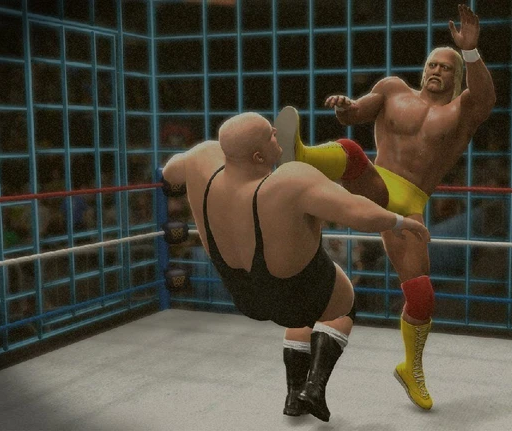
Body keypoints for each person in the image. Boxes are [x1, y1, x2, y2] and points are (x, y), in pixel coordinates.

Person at [275, 4, 495, 410]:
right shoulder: (393, 89)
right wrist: (345, 106)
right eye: (432, 64)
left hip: (411, 204)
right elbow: (355, 113)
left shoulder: (462, 111)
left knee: (422, 296)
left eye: (445, 67)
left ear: (457, 75)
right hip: (374, 183)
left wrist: (470, 50)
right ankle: (300, 155)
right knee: (352, 151)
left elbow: (485, 97)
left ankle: (412, 367)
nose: (436, 71)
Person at [161, 112, 430, 422]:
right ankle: (314, 388)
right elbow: (358, 212)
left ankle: (293, 396)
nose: (276, 132)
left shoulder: (200, 159)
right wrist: (399, 222)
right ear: (258, 156)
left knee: (300, 311)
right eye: (270, 134)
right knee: (342, 303)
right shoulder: (290, 182)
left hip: (245, 296)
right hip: (297, 293)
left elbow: (169, 173)